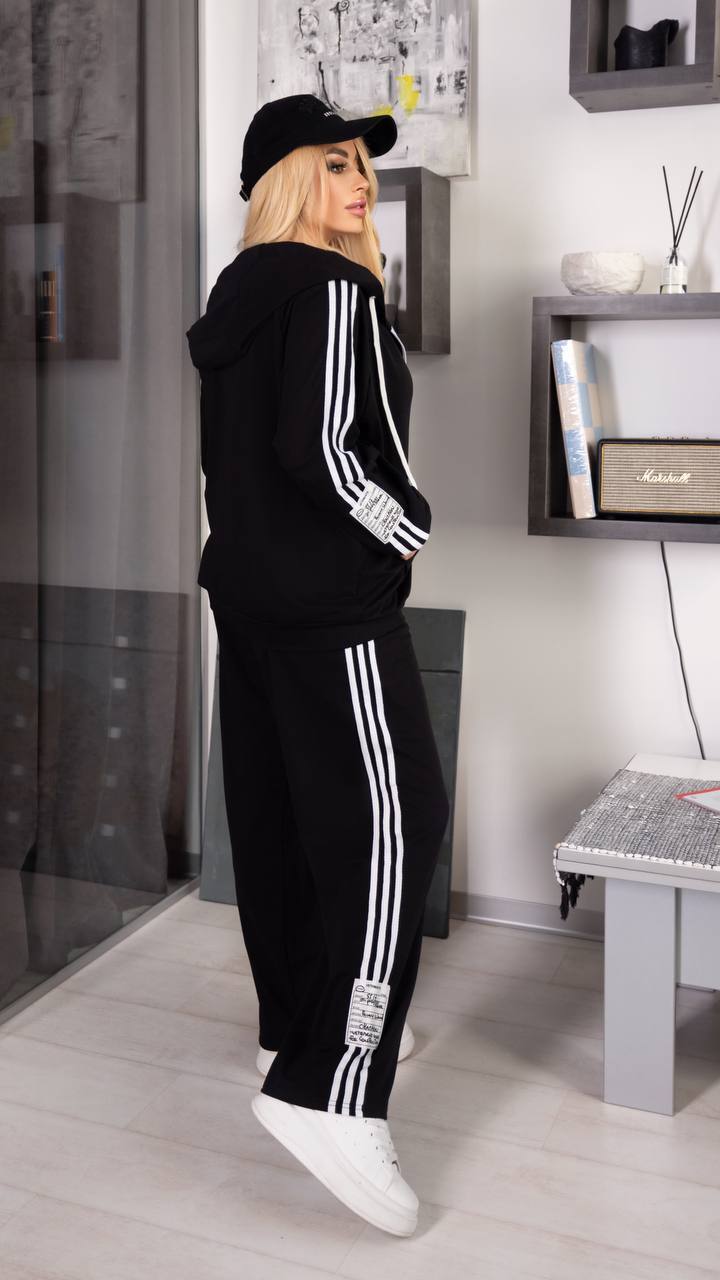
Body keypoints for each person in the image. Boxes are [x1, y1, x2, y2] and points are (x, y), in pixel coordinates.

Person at [185, 93, 450, 1238]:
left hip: (250, 598)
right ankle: (333, 1088)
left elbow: (243, 456)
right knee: (397, 824)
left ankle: (290, 1026)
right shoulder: (334, 289)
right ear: (289, 180)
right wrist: (408, 524)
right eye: (336, 163)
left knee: (288, 821)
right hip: (331, 607)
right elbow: (326, 450)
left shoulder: (238, 294)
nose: (360, 184)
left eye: (363, 167)